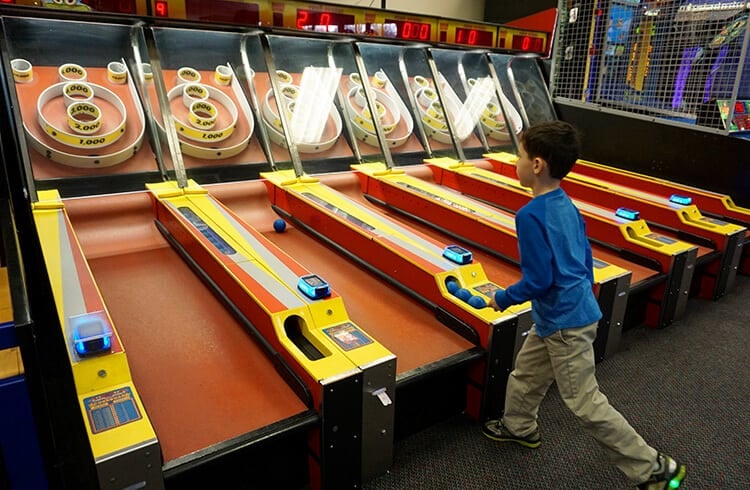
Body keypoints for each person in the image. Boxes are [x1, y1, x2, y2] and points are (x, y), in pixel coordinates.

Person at [483, 121, 687, 490]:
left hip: (565, 323)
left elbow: (539, 281)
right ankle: (519, 426)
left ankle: (653, 468)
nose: (516, 161)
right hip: (562, 315)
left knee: (584, 401)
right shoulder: (565, 204)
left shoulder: (529, 216)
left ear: (538, 165)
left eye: (520, 155)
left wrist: (502, 298)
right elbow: (583, 256)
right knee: (526, 376)